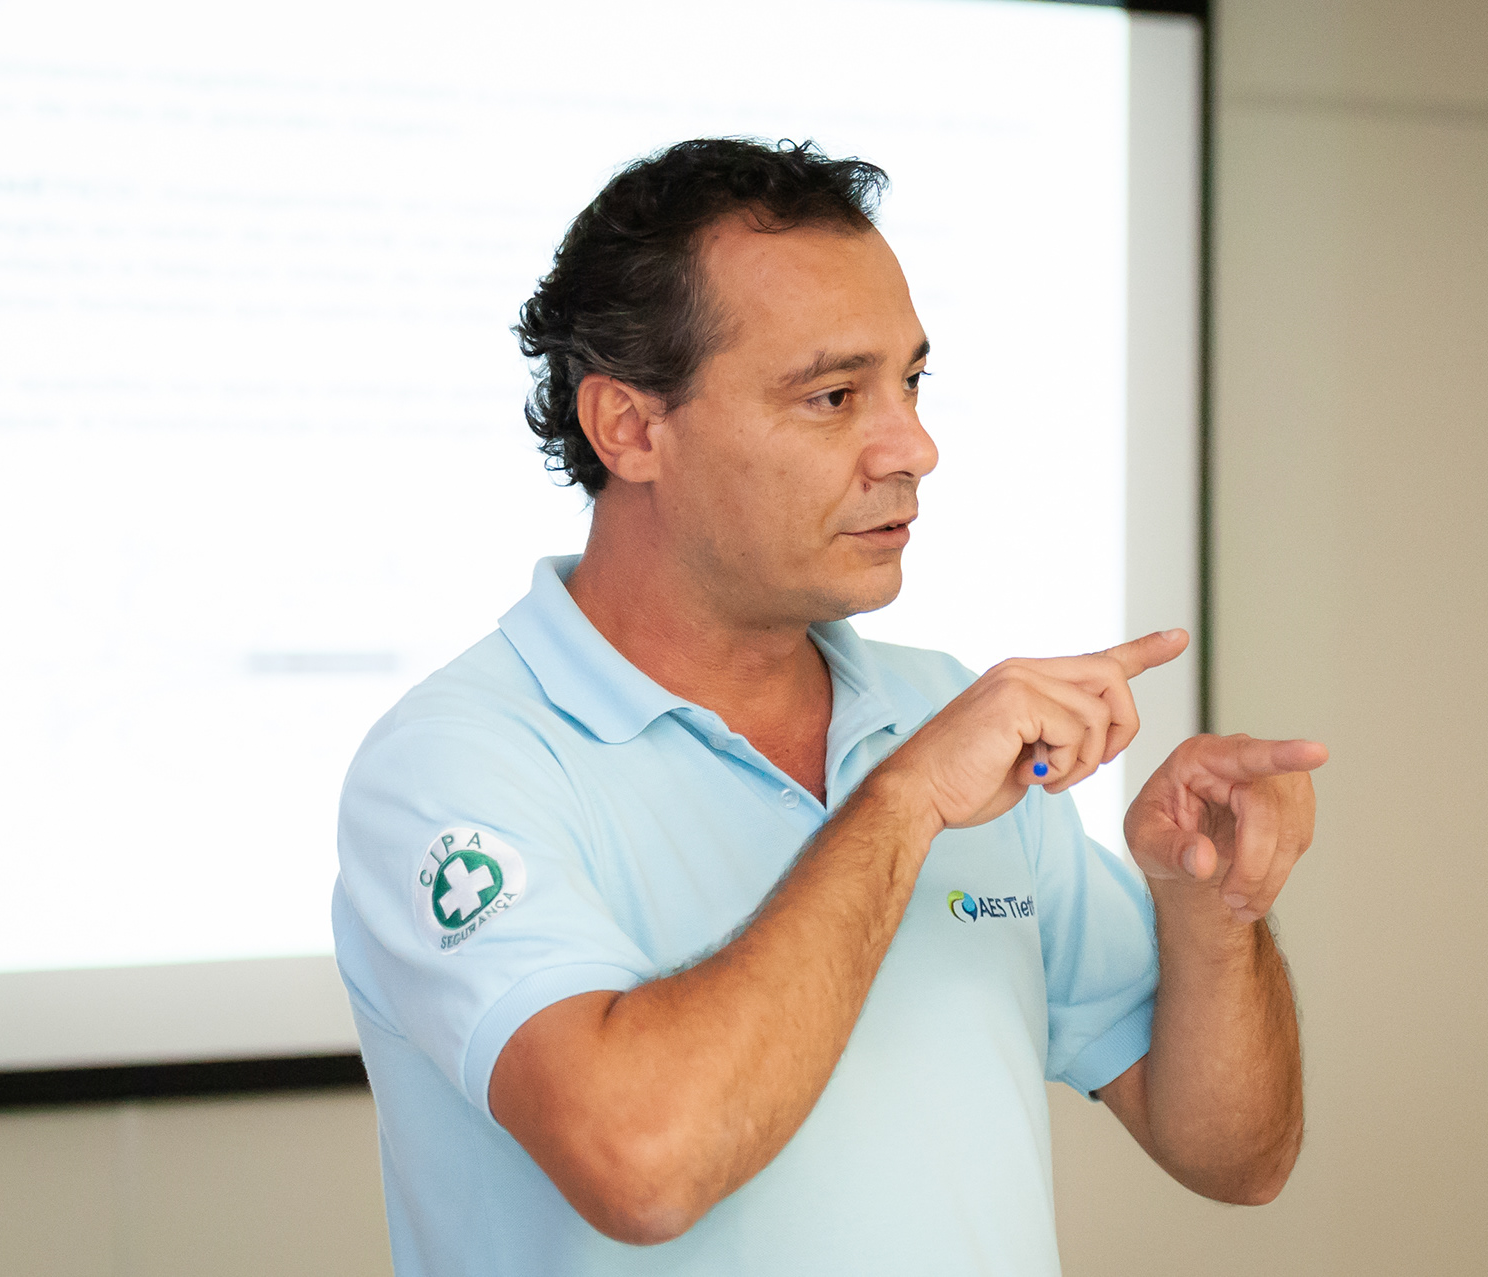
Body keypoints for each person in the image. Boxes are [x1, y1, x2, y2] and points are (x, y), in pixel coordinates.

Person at [332, 138, 1326, 1277]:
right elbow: (643, 1166)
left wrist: (1209, 908)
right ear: (630, 428)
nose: (915, 447)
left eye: (912, 383)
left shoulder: (937, 706)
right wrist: (902, 801)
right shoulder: (454, 764)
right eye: (834, 395)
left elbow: (1237, 1156)